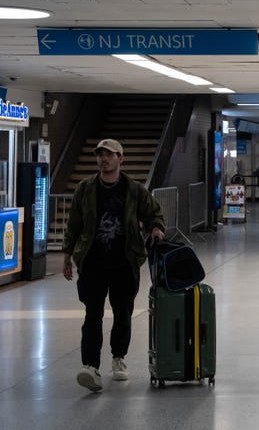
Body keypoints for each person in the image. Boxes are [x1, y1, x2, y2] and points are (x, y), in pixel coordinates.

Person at [62, 139, 166, 392]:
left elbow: (154, 213)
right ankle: (90, 366)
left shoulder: (134, 190)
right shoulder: (85, 189)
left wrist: (156, 229)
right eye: (100, 155)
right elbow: (74, 224)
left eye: (109, 155)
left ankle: (119, 358)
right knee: (92, 314)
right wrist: (67, 255)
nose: (103, 159)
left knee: (122, 315)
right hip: (93, 263)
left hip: (124, 263)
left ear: (121, 158)